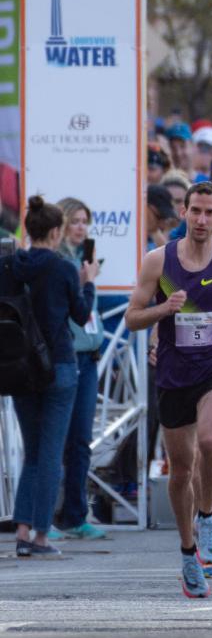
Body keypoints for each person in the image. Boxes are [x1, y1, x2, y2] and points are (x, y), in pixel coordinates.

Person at [125, 182, 212, 598]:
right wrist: (164, 309)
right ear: (184, 212)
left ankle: (207, 516)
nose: (201, 220)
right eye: (195, 211)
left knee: (210, 440)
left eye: (209, 213)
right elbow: (131, 318)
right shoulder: (157, 261)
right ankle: (187, 555)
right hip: (174, 372)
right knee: (180, 471)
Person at [10, 196, 98, 559]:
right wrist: (88, 282)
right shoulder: (62, 268)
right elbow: (81, 315)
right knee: (50, 453)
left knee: (33, 452)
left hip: (18, 367)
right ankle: (41, 535)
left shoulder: (10, 265)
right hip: (59, 366)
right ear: (57, 230)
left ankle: (22, 529)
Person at [55, 198, 107, 540]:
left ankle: (76, 514)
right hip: (66, 356)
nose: (81, 227)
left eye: (85, 221)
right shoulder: (57, 263)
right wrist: (83, 279)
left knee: (81, 440)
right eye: (74, 221)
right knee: (57, 439)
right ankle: (47, 514)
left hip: (89, 357)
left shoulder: (84, 260)